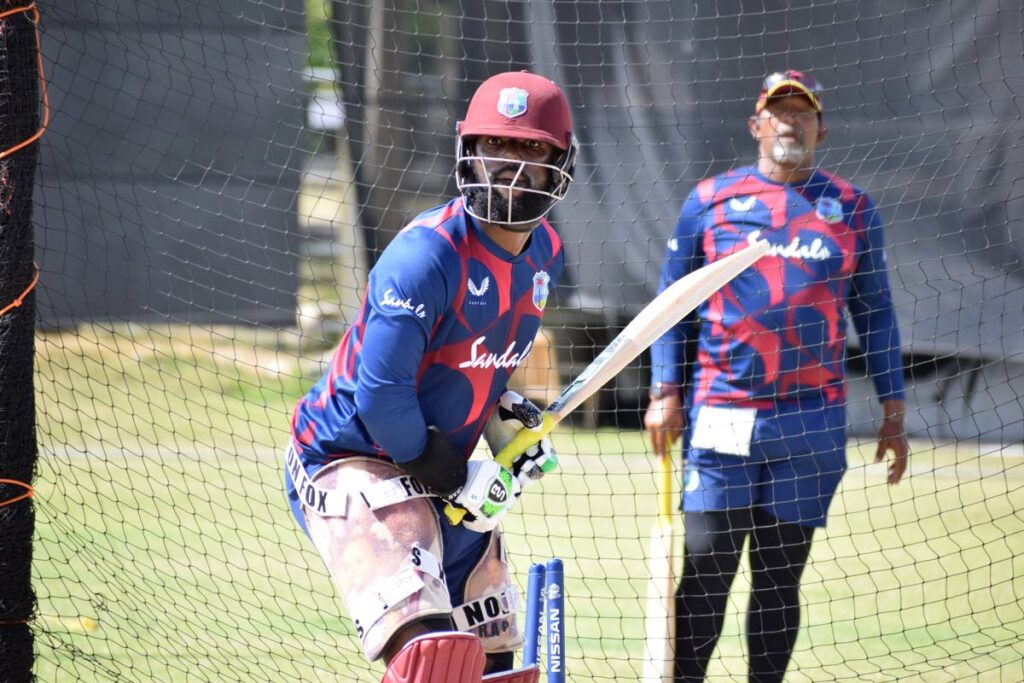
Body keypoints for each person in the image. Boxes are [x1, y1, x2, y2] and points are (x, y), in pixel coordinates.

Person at [284, 71, 576, 683]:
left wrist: (506, 424)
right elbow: (382, 393)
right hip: (353, 456)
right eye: (497, 146)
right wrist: (440, 464)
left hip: (445, 468)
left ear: (561, 163)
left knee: (495, 662)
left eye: (531, 149)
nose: (512, 167)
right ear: (469, 151)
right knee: (434, 660)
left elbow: (489, 357)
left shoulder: (543, 252)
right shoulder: (427, 256)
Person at [643, 70, 910, 683]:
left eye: (803, 112)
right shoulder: (709, 200)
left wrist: (894, 413)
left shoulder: (852, 206)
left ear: (821, 127)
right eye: (779, 111)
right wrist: (665, 392)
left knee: (779, 577)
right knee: (707, 566)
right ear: (756, 125)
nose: (791, 121)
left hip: (809, 427)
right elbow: (669, 304)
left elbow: (877, 314)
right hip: (723, 415)